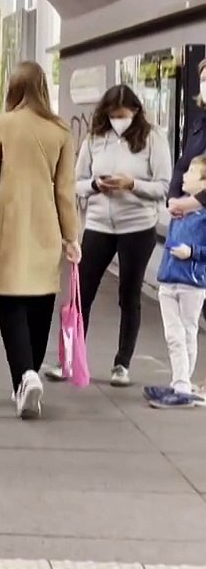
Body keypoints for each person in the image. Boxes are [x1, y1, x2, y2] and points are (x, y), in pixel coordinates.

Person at [43, 85, 170, 386]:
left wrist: (132, 185)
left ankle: (122, 364)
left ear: (136, 112)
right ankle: (69, 360)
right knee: (80, 293)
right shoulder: (95, 139)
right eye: (113, 115)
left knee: (129, 295)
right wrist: (96, 186)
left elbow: (163, 187)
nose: (118, 120)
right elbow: (76, 182)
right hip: (99, 225)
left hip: (137, 226)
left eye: (123, 116)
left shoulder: (153, 139)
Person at [0, 61, 81, 419]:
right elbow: (65, 190)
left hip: (9, 220)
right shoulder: (61, 130)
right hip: (46, 223)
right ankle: (29, 375)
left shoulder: (0, 124)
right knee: (39, 301)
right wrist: (72, 236)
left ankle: (25, 376)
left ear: (14, 87)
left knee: (11, 303)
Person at [146, 155, 206, 409]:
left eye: (192, 172)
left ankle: (182, 383)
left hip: (192, 281)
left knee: (185, 332)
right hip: (169, 279)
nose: (183, 176)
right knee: (175, 333)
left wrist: (192, 252)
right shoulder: (179, 212)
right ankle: (180, 381)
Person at [169, 60, 206, 219]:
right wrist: (173, 198)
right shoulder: (200, 124)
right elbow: (182, 165)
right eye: (203, 80)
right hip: (192, 219)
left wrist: (192, 203)